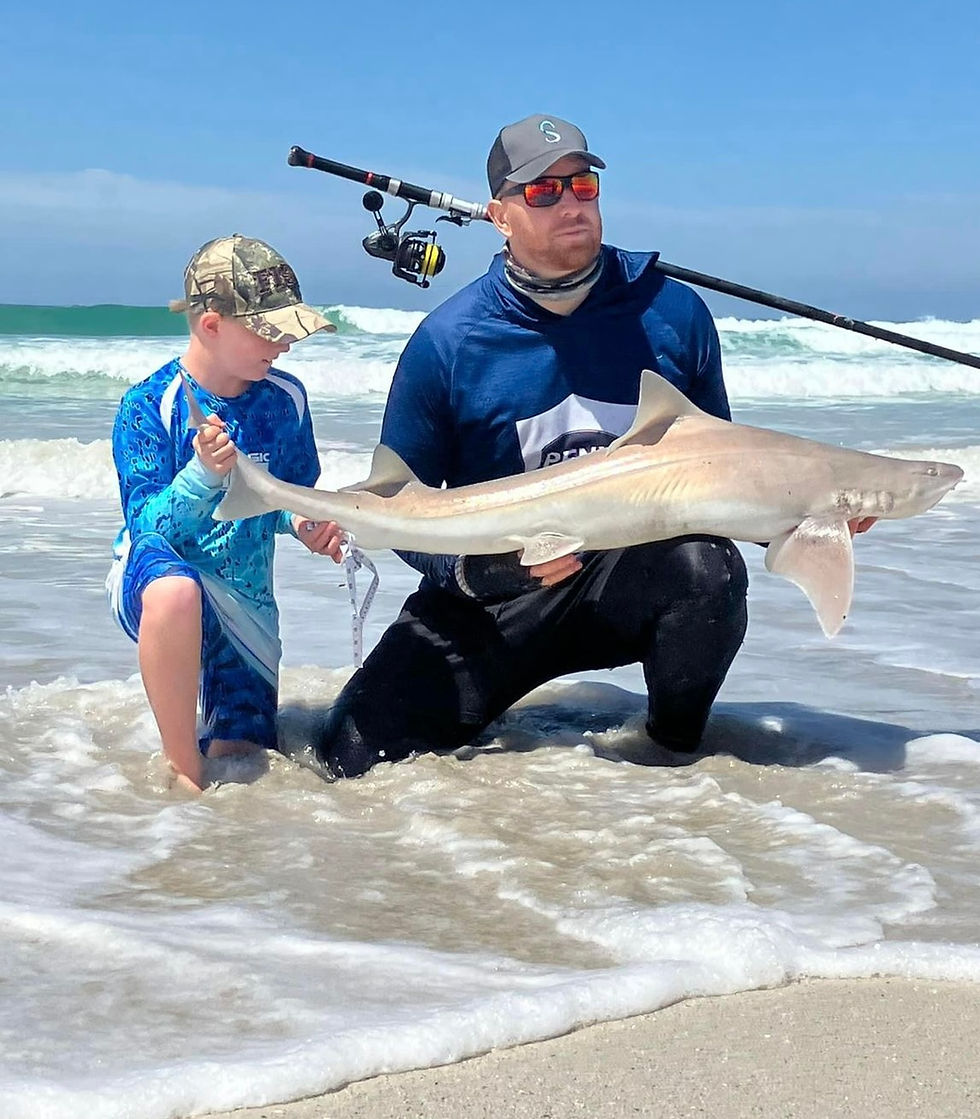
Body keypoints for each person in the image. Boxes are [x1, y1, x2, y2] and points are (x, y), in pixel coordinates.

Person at [305, 113, 872, 780]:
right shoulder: (449, 341)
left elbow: (726, 476)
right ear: (500, 215)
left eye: (583, 184)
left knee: (707, 568)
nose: (571, 202)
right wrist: (475, 573)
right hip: (493, 598)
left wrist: (805, 514)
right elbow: (399, 503)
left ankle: (667, 761)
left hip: (626, 584)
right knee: (346, 759)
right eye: (543, 192)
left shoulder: (672, 314)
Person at [106, 234, 344, 793]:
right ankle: (181, 767)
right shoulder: (149, 404)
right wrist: (204, 476)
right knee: (177, 590)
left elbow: (287, 496)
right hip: (155, 586)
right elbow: (147, 530)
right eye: (268, 330)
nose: (283, 345)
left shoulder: (286, 399)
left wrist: (305, 525)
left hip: (245, 599)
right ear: (211, 325)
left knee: (244, 758)